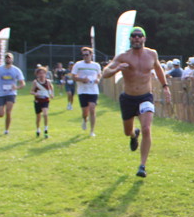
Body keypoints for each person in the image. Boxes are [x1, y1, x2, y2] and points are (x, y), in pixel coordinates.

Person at [100, 26, 172, 177]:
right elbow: (105, 72)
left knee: (146, 128)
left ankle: (142, 166)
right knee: (127, 131)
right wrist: (117, 69)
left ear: (144, 38)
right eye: (134, 36)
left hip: (145, 97)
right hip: (128, 98)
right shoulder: (123, 56)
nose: (137, 38)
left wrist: (165, 86)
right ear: (130, 39)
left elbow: (158, 69)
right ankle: (134, 135)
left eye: (139, 36)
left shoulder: (152, 54)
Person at [0, 52, 25, 134]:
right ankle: (2, 112)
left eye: (9, 58)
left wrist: (16, 87)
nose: (8, 59)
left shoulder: (16, 70)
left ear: (12, 59)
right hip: (0, 93)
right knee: (0, 114)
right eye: (6, 58)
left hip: (11, 93)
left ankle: (6, 130)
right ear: (4, 59)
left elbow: (22, 84)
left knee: (8, 111)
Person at [71, 47, 101, 136]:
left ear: (91, 55)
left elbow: (99, 75)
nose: (85, 57)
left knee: (92, 109)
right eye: (83, 55)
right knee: (85, 111)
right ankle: (84, 119)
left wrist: (98, 79)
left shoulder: (96, 65)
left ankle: (92, 131)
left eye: (87, 55)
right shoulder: (78, 64)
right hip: (82, 90)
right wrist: (82, 79)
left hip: (93, 90)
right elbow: (73, 77)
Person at [31, 65, 54, 138]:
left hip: (45, 100)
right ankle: (38, 129)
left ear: (45, 74)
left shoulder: (48, 82)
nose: (41, 74)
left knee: (45, 114)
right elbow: (31, 91)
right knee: (38, 117)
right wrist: (35, 93)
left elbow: (51, 89)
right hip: (38, 101)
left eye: (43, 73)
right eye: (40, 73)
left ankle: (46, 130)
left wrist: (51, 94)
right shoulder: (35, 82)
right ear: (37, 74)